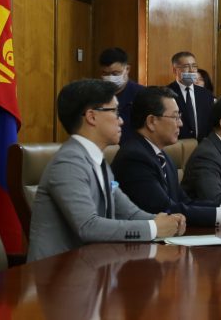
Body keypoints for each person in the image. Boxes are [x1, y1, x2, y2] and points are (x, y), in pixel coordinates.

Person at [27, 79, 186, 262]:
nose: (121, 120)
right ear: (91, 117)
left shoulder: (98, 160)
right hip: (56, 271)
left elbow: (128, 212)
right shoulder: (68, 163)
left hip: (90, 266)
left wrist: (168, 221)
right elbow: (88, 226)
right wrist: (154, 228)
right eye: (115, 112)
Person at [112, 88, 221, 227]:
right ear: (151, 121)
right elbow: (165, 209)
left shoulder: (163, 156)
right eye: (175, 117)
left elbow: (185, 202)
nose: (180, 123)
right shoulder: (134, 158)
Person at [99, 47, 146, 144]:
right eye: (105, 73)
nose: (110, 77)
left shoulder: (142, 94)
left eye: (115, 73)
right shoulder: (95, 95)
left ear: (127, 69)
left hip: (133, 148)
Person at [166, 51, 214, 141]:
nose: (192, 70)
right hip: (176, 145)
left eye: (194, 66)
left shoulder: (206, 94)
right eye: (186, 66)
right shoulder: (166, 93)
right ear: (175, 70)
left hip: (202, 145)